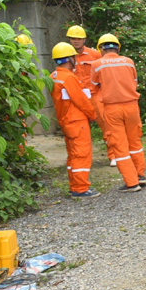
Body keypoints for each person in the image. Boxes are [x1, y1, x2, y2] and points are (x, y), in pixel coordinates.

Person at [90, 34, 146, 193]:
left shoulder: (97, 64)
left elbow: (93, 88)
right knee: (135, 142)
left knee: (120, 145)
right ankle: (140, 175)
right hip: (132, 107)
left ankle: (131, 182)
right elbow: (134, 82)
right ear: (117, 47)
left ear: (101, 48)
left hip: (112, 108)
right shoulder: (128, 62)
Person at [50, 43, 100, 199]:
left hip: (66, 121)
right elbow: (81, 100)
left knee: (73, 155)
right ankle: (80, 188)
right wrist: (92, 115)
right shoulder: (69, 78)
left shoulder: (53, 77)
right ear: (69, 59)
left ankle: (75, 185)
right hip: (77, 121)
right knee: (81, 154)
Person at [66, 25, 111, 165]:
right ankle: (79, 158)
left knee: (106, 125)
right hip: (76, 98)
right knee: (77, 129)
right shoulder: (66, 55)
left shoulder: (94, 55)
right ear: (69, 40)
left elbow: (103, 74)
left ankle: (113, 155)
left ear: (84, 39)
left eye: (79, 38)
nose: (76, 41)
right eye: (73, 39)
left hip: (94, 95)